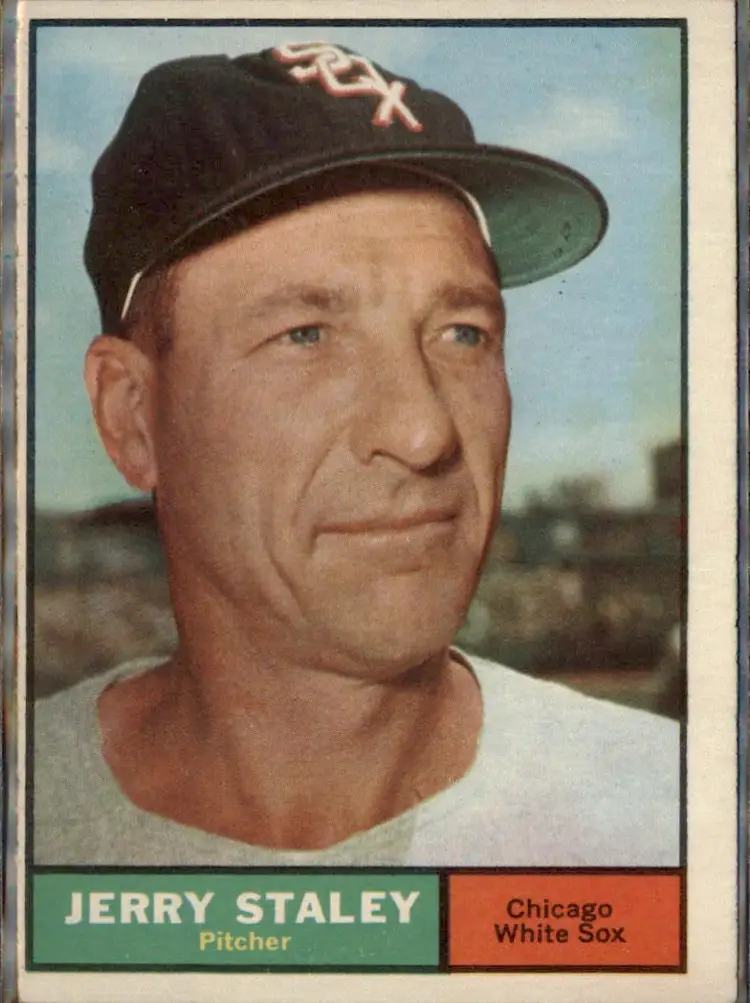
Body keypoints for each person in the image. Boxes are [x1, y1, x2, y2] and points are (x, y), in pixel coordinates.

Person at [34, 42, 679, 866]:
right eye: (306, 335)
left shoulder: (665, 814)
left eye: (462, 334)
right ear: (132, 418)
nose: (423, 431)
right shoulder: (32, 813)